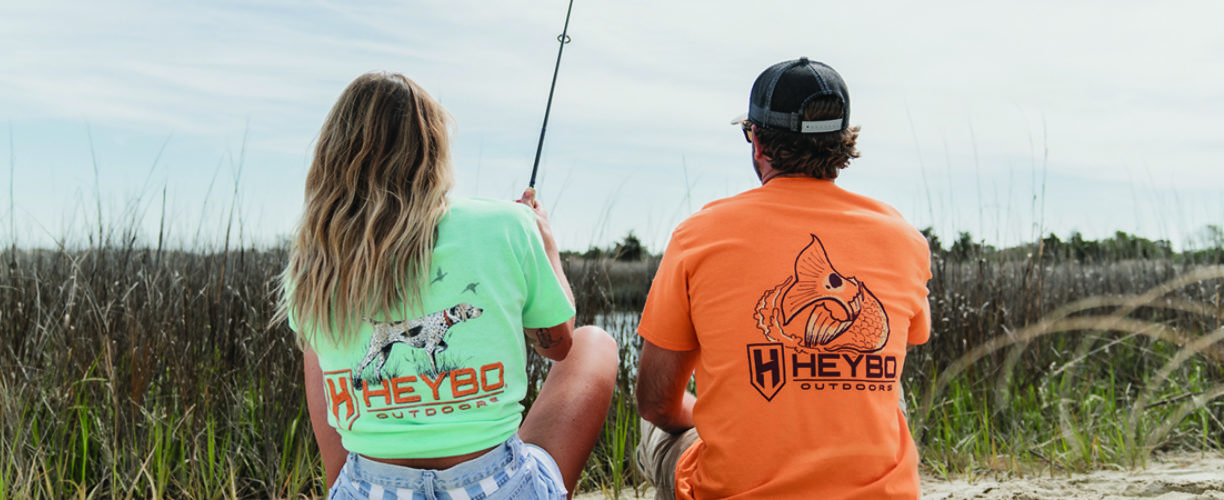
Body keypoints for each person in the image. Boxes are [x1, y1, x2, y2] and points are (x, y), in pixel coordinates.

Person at [276, 72, 617, 499]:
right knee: (594, 343)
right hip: (496, 485)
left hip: (370, 486)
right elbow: (559, 347)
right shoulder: (507, 224)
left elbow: (330, 394)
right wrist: (545, 246)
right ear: (434, 148)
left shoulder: (316, 254)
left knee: (320, 331)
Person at [634, 58, 932, 499]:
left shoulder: (699, 234)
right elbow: (906, 342)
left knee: (651, 427)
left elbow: (657, 402)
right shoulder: (905, 238)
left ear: (758, 143)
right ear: (842, 144)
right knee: (886, 368)